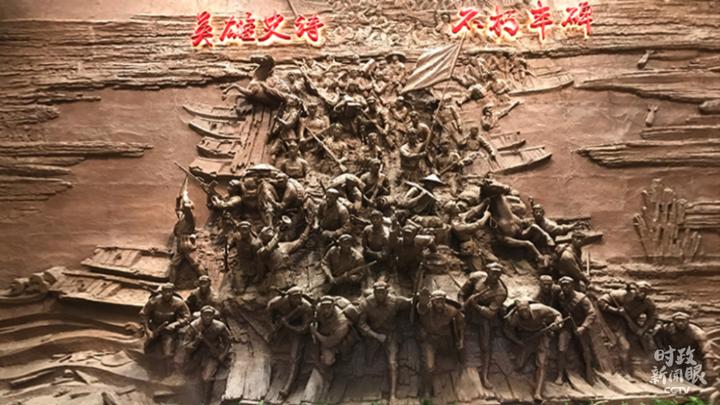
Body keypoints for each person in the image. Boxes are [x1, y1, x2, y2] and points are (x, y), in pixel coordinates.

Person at [357, 281, 413, 402]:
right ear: (374, 292)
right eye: (378, 292)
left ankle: (392, 395)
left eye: (383, 292)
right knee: (368, 361)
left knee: (392, 363)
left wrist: (418, 299)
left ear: (387, 292)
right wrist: (376, 335)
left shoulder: (395, 301)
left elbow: (409, 302)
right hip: (373, 335)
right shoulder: (366, 304)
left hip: (391, 335)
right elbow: (361, 324)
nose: (380, 295)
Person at [458, 263, 508, 388]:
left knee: (485, 345)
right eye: (493, 272)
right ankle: (459, 347)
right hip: (468, 309)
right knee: (455, 321)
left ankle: (485, 376)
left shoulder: (500, 292)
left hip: (484, 315)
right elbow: (461, 293)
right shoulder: (477, 277)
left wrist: (475, 305)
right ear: (487, 271)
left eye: (498, 274)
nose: (495, 276)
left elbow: (490, 313)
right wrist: (462, 304)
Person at [503, 299, 564, 401]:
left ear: (529, 308)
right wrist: (517, 341)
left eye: (525, 310)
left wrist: (557, 323)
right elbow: (507, 330)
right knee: (519, 365)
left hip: (541, 335)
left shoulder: (540, 309)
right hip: (527, 338)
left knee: (542, 364)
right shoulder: (515, 318)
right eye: (521, 311)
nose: (524, 313)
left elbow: (557, 314)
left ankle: (538, 393)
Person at [598, 281, 658, 379]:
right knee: (625, 346)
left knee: (645, 343)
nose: (642, 293)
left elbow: (652, 317)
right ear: (636, 289)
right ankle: (624, 372)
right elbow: (601, 301)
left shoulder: (648, 303)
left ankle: (644, 369)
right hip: (615, 322)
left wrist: (643, 329)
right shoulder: (622, 294)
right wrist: (615, 311)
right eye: (641, 290)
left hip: (630, 324)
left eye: (645, 291)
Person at [415, 289, 465, 398]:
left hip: (444, 339)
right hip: (429, 340)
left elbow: (461, 323)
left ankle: (457, 386)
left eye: (442, 301)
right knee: (429, 366)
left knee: (455, 360)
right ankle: (427, 389)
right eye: (437, 302)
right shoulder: (426, 309)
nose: (440, 304)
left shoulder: (451, 310)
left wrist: (460, 340)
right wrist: (422, 299)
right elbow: (421, 308)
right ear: (432, 302)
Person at [266, 286, 314, 398]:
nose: (299, 300)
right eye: (295, 298)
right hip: (282, 324)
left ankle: (288, 386)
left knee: (295, 357)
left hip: (296, 328)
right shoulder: (279, 302)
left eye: (300, 297)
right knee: (272, 343)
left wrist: (289, 326)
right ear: (289, 297)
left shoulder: (306, 307)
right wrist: (273, 324)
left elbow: (304, 329)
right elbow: (269, 308)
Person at [181, 306, 232, 405]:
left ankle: (206, 401)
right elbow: (186, 345)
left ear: (213, 315)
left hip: (211, 354)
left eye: (210, 315)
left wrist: (222, 355)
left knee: (207, 377)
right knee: (187, 373)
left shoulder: (220, 326)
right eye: (205, 315)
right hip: (196, 352)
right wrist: (197, 341)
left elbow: (228, 342)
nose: (208, 317)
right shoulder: (194, 326)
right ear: (201, 315)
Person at [555, 276, 597, 385]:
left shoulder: (582, 299)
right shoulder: (560, 297)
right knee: (561, 350)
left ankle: (589, 372)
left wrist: (583, 327)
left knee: (586, 350)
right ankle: (560, 375)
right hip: (566, 326)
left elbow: (592, 314)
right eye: (563, 286)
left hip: (580, 326)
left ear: (572, 286)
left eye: (567, 285)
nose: (565, 288)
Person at [140, 283, 191, 360]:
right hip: (154, 327)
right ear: (162, 292)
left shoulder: (179, 303)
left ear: (173, 292)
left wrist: (175, 324)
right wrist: (147, 330)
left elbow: (187, 317)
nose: (167, 294)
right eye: (165, 291)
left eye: (169, 291)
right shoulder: (154, 301)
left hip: (169, 330)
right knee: (144, 348)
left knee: (167, 353)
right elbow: (144, 314)